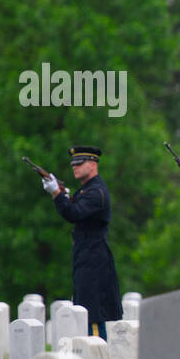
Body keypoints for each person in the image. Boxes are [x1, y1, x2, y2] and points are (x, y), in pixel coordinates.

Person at [43, 145, 122, 339]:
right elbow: (75, 206)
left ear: (93, 164)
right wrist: (64, 195)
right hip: (86, 257)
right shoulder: (86, 191)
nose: (75, 167)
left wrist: (56, 195)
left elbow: (73, 214)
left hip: (94, 260)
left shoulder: (96, 193)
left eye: (80, 163)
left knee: (91, 315)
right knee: (84, 312)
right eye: (73, 164)